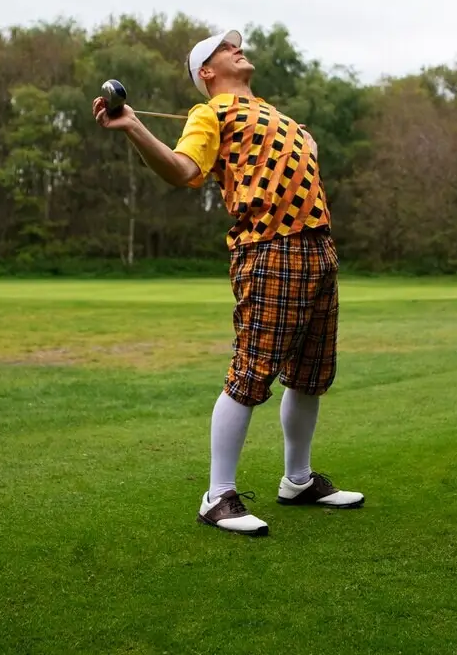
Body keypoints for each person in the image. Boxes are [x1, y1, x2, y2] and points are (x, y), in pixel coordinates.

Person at [90, 28, 364, 536]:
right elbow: (181, 169)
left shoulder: (276, 115)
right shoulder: (208, 113)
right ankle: (217, 497)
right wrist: (130, 126)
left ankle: (298, 481)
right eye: (224, 47)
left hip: (318, 248)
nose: (237, 47)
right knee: (252, 372)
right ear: (207, 73)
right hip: (269, 248)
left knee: (310, 374)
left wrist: (301, 141)